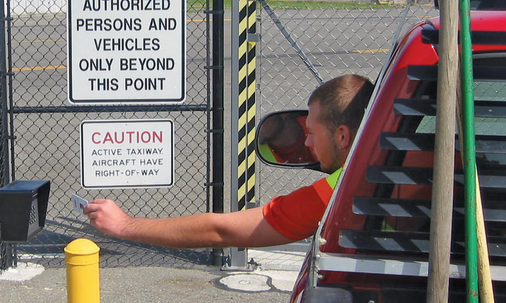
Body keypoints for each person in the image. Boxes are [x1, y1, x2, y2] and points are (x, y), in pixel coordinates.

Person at [84, 74, 374, 249]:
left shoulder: (339, 191)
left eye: (310, 133)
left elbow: (220, 230)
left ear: (342, 136)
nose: (307, 144)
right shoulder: (384, 164)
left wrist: (126, 225)